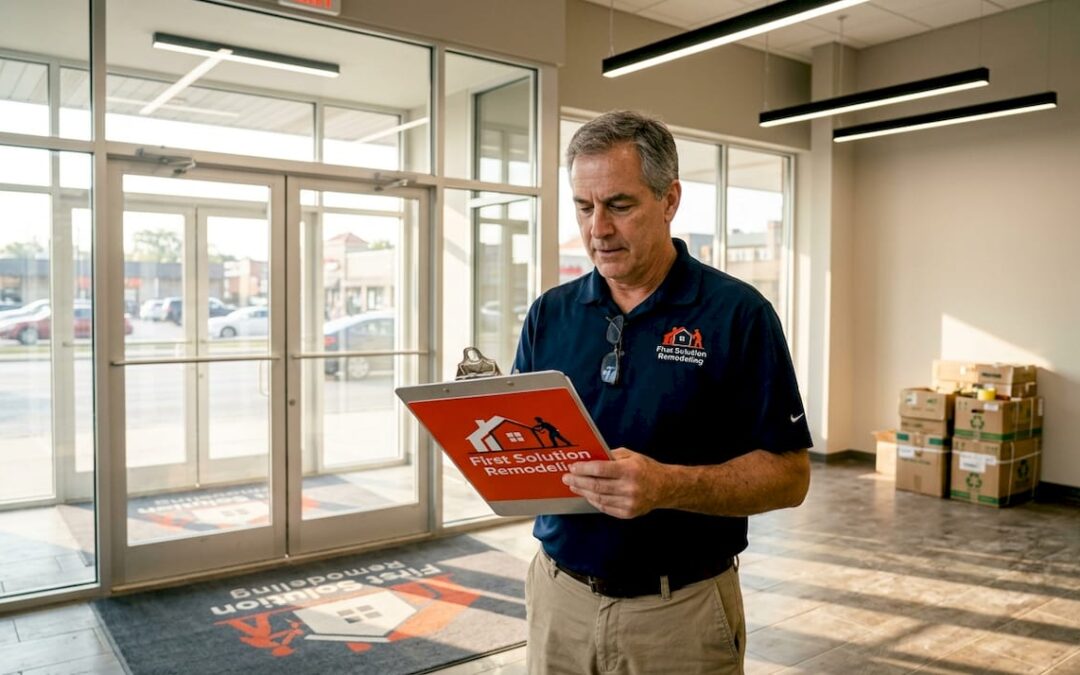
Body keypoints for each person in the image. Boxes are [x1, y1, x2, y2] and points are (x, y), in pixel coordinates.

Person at [513, 110, 812, 674]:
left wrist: (665, 484)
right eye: (583, 206)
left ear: (669, 200)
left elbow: (790, 477)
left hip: (679, 613)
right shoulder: (550, 314)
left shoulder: (737, 315)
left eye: (618, 205)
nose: (597, 229)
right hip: (559, 599)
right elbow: (528, 444)